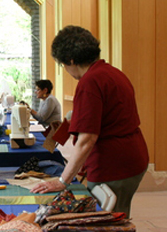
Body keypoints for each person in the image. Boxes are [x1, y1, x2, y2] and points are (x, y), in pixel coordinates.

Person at [32, 25, 149, 218]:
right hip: (132, 158)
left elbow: (87, 140)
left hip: (114, 165)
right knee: (118, 214)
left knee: (109, 223)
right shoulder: (112, 73)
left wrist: (63, 180)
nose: (67, 71)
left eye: (63, 65)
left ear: (71, 60)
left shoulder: (90, 82)